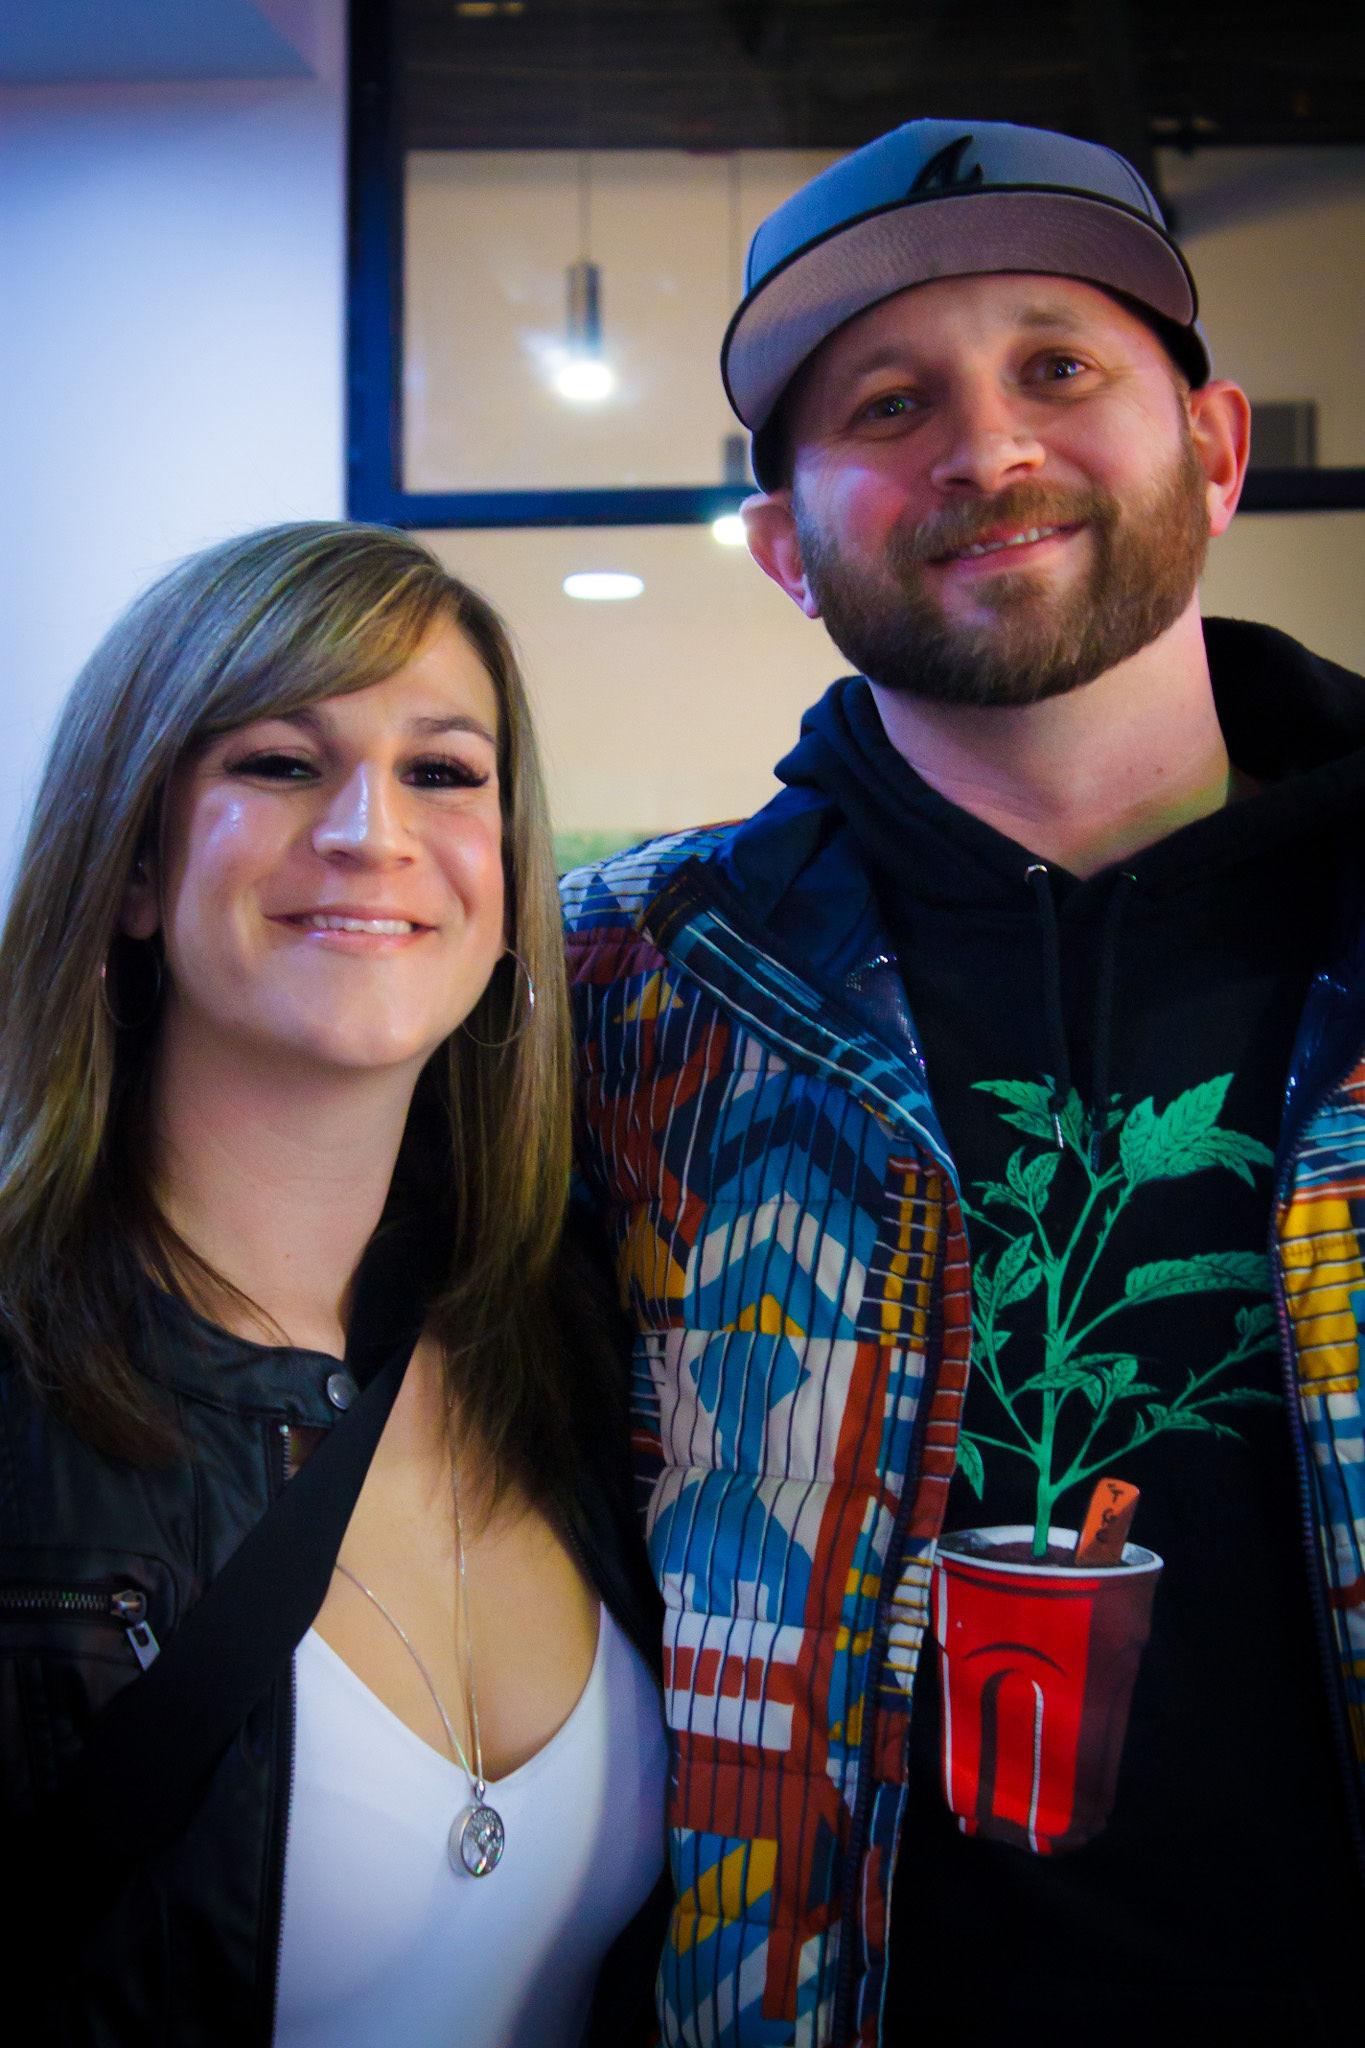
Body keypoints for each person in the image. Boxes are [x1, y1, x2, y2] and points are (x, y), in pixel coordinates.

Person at [561, 120, 1365, 2044]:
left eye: (1056, 367)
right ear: (784, 547)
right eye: (889, 403)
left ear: (1216, 449)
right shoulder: (625, 984)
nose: (986, 448)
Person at [0, 521, 667, 2046]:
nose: (373, 831)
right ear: (133, 865)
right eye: (281, 763)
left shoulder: (590, 1341)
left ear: (508, 885)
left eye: (442, 771)